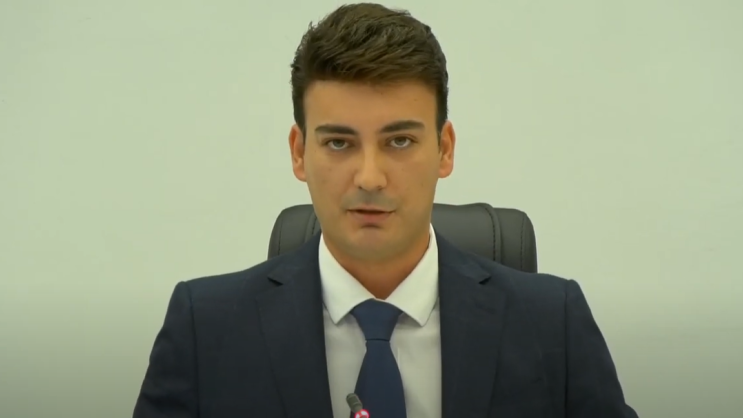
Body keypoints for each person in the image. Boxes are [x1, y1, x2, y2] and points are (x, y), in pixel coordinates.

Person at [133, 3, 638, 418]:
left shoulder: (554, 325)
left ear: (444, 150)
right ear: (298, 153)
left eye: (399, 141)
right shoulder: (204, 331)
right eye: (338, 143)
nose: (370, 177)